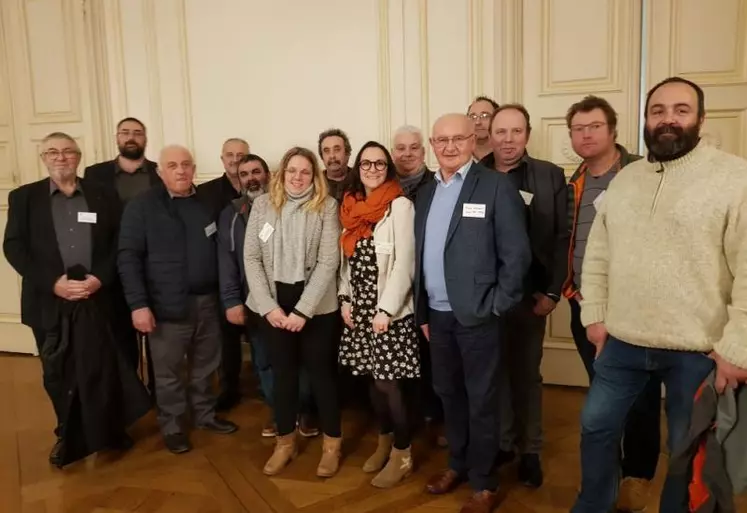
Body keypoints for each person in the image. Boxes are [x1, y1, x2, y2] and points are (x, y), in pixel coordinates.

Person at [571, 77, 747, 513]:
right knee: (596, 426)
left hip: (699, 349)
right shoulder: (626, 179)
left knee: (687, 452)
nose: (668, 119)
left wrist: (737, 348)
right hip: (622, 341)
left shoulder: (734, 177)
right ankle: (592, 505)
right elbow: (598, 254)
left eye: (681, 110)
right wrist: (594, 316)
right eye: (658, 111)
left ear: (701, 119)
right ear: (646, 120)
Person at [3, 132, 150, 467]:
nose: (61, 157)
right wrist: (53, 283)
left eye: (68, 151)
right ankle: (66, 433)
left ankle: (112, 429)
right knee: (59, 372)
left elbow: (118, 243)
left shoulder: (103, 195)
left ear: (78, 156)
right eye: (53, 152)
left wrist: (100, 278)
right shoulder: (24, 197)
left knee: (109, 367)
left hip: (99, 298)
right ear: (43, 158)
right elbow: (14, 247)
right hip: (50, 302)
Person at [415, 114, 531, 513]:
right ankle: (458, 465)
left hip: (479, 316)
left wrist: (497, 305)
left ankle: (484, 483)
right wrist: (422, 313)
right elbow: (421, 257)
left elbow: (517, 257)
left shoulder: (495, 186)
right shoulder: (427, 192)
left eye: (458, 138)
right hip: (437, 315)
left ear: (472, 140)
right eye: (441, 140)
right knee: (449, 395)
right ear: (433, 143)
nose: (449, 146)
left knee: (482, 400)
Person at [562, 95, 662, 511]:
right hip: (584, 306)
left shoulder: (644, 174)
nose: (586, 134)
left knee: (639, 398)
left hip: (633, 309)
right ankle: (607, 477)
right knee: (601, 399)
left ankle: (637, 474)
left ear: (613, 131)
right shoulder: (572, 183)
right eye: (578, 128)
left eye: (594, 126)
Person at [118, 144, 238, 455]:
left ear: (194, 169)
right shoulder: (141, 206)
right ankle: (171, 426)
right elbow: (128, 258)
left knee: (205, 365)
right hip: (165, 307)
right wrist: (138, 305)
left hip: (208, 302)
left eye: (186, 164)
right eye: (172, 165)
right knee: (169, 373)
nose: (181, 170)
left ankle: (204, 415)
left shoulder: (206, 203)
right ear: (160, 171)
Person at [480, 104, 569, 488]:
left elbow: (563, 236)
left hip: (532, 296)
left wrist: (553, 290)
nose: (508, 140)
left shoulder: (549, 176)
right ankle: (502, 443)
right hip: (486, 297)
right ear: (490, 134)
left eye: (516, 132)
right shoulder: (475, 175)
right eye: (501, 132)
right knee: (493, 373)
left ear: (527, 135)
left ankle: (530, 449)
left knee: (527, 375)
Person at [244, 146, 342, 478]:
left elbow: (330, 261)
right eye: (292, 171)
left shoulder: (328, 206)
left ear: (315, 176)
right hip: (273, 305)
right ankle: (284, 443)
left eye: (305, 172)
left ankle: (332, 446)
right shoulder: (261, 205)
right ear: (281, 174)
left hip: (317, 307)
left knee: (322, 376)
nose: (298, 177)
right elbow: (251, 258)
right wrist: (269, 307)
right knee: (283, 376)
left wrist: (303, 311)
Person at [338, 141, 419, 488]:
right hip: (359, 308)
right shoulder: (351, 207)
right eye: (366, 163)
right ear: (358, 167)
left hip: (389, 310)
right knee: (372, 380)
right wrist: (344, 298)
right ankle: (384, 440)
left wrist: (386, 308)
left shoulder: (399, 205)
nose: (373, 169)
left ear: (388, 167)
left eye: (380, 163)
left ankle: (403, 453)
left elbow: (405, 262)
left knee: (389, 383)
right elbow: (348, 263)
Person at [217, 154, 316, 438]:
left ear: (270, 174)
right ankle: (279, 411)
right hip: (256, 303)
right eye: (244, 173)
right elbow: (227, 260)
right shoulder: (231, 213)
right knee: (265, 360)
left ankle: (305, 410)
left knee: (302, 359)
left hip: (294, 299)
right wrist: (231, 299)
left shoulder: (286, 205)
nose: (251, 178)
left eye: (256, 171)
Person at [84, 117, 161, 376]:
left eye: (137, 133)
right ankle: (129, 399)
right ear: (117, 137)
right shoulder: (95, 175)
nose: (131, 137)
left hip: (152, 266)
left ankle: (156, 395)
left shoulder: (160, 172)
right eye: (125, 132)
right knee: (120, 337)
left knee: (156, 336)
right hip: (111, 267)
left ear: (145, 138)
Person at [196, 137, 252, 411]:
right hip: (219, 273)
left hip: (253, 278)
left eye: (241, 154)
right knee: (225, 339)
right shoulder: (204, 192)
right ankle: (229, 388)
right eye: (230, 154)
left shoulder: (260, 188)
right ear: (222, 159)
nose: (235, 159)